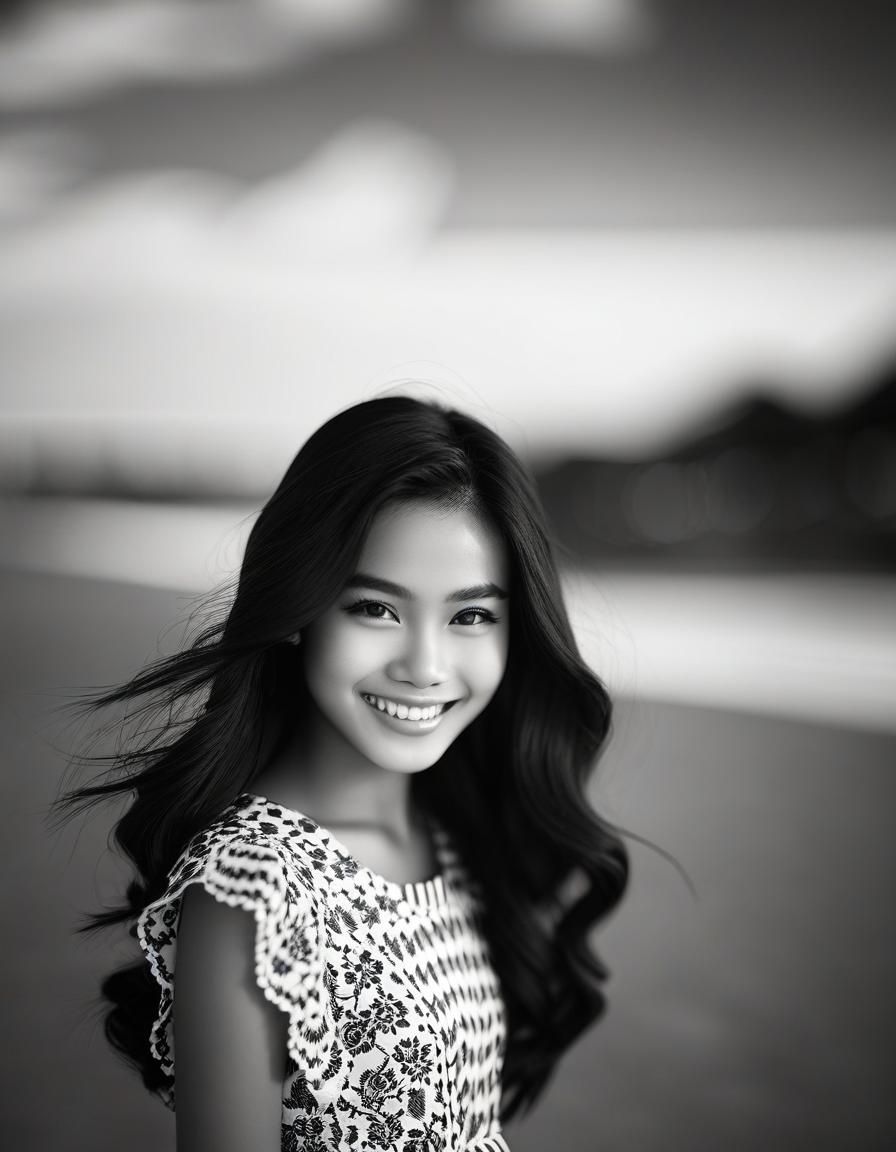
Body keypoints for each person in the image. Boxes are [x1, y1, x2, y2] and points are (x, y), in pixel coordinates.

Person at [60, 396, 629, 1152]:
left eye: (470, 616)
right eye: (376, 608)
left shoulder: (449, 829)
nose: (425, 668)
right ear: (301, 608)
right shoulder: (256, 888)